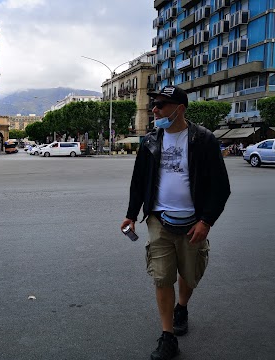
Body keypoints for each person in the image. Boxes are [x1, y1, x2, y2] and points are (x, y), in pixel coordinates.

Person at [120, 85, 231, 360]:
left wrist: (206, 221)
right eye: (154, 104)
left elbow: (221, 187)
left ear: (179, 109)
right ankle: (168, 336)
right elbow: (138, 182)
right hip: (159, 220)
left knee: (189, 274)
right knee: (162, 277)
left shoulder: (203, 140)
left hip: (194, 222)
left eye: (160, 105)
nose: (154, 109)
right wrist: (132, 214)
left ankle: (182, 306)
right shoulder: (150, 141)